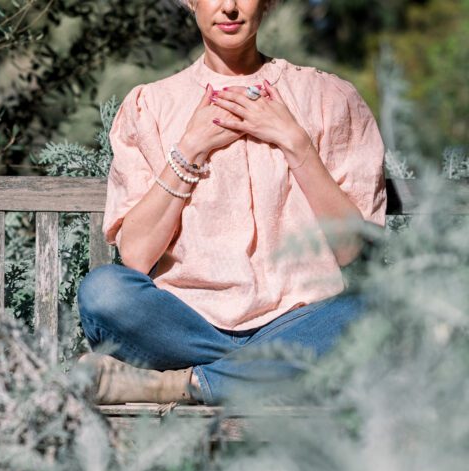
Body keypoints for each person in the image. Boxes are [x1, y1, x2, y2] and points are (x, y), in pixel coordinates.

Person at [77, 0, 387, 406]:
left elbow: (349, 249)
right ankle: (267, 374)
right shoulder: (151, 106)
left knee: (378, 308)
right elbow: (135, 255)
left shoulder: (329, 98)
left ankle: (183, 384)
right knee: (104, 292)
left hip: (300, 318)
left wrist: (295, 142)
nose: (229, 7)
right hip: (184, 326)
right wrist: (189, 149)